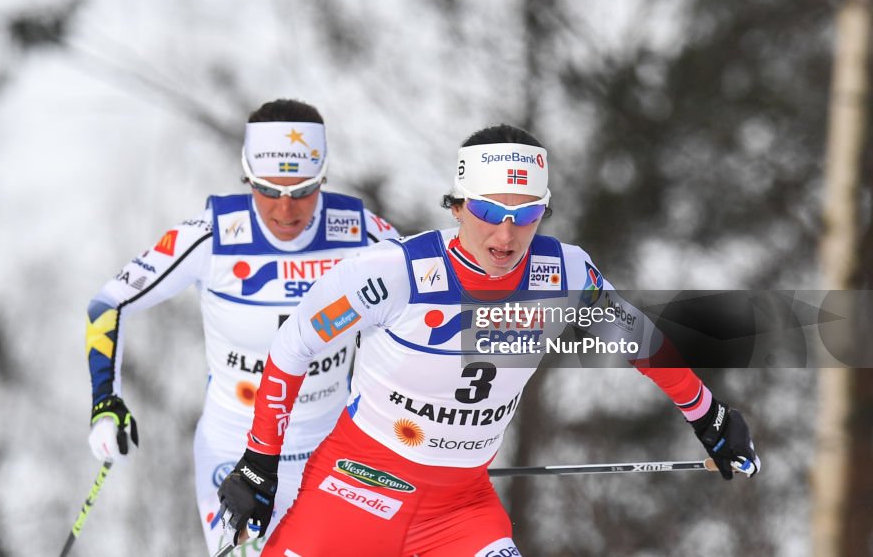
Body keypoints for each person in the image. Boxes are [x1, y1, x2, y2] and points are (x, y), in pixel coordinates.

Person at [217, 124, 760, 556]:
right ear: (457, 206)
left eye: (524, 216)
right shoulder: (391, 274)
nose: (505, 236)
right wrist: (258, 463)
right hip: (351, 492)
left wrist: (707, 415)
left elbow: (639, 342)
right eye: (488, 213)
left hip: (459, 513)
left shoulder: (564, 274)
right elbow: (293, 348)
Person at [83, 99, 400, 554]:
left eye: (304, 189)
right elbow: (107, 304)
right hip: (235, 451)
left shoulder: (361, 235)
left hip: (334, 450)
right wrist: (104, 402)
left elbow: (437, 305)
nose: (286, 210)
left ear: (324, 177)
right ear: (247, 175)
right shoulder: (213, 235)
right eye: (269, 190)